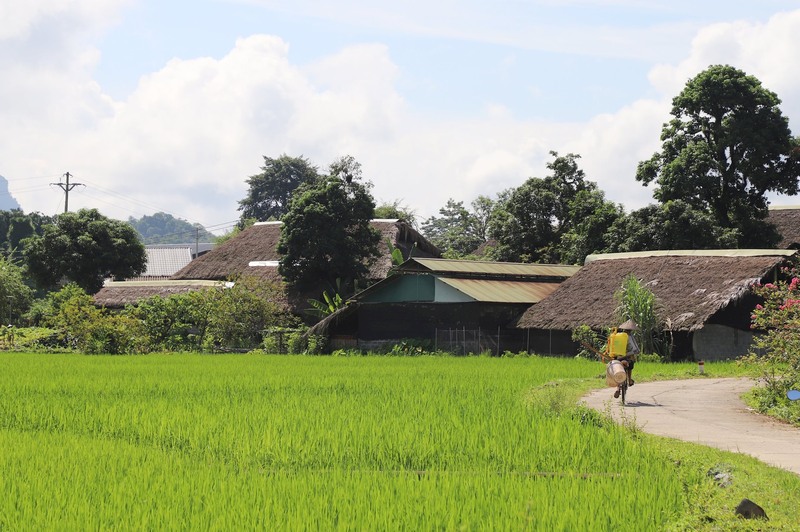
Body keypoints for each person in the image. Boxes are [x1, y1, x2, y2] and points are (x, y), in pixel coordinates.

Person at [607, 319, 640, 398]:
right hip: (627, 357)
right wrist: (636, 351)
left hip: (617, 357)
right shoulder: (629, 336)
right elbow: (635, 349)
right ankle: (629, 380)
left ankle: (618, 388)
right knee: (630, 365)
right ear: (631, 330)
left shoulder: (616, 336)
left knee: (618, 371)